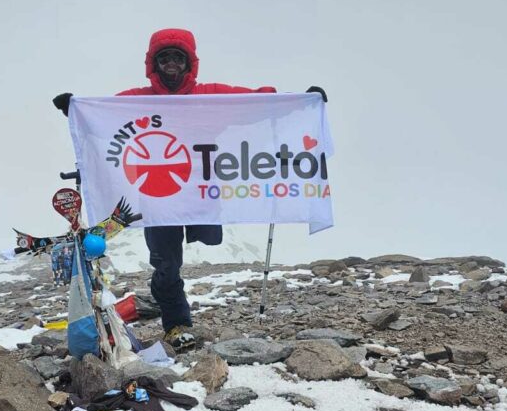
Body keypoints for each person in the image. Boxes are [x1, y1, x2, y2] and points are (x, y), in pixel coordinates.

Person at [53, 28, 326, 351]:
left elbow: (253, 100)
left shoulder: (208, 96)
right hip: (157, 199)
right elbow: (101, 114)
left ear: (189, 63)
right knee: (166, 263)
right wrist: (74, 107)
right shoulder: (137, 101)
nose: (171, 63)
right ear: (153, 64)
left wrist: (297, 103)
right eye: (164, 57)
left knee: (203, 244)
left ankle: (159, 300)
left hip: (201, 192)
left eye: (177, 58)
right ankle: (177, 323)